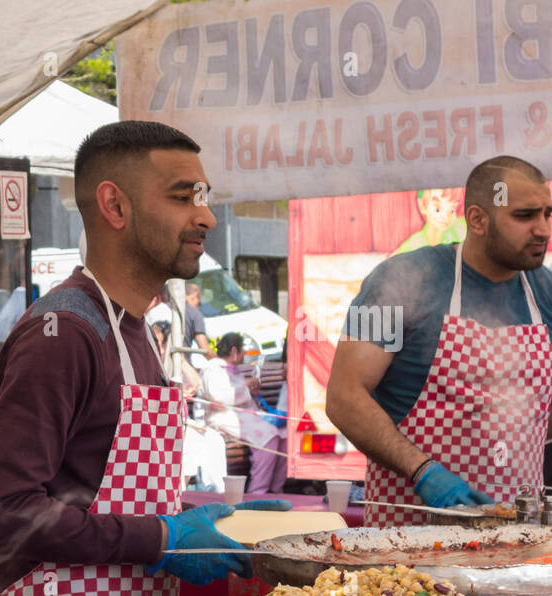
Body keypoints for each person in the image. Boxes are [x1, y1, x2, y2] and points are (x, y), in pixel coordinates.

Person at [0, 121, 286, 596]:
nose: (207, 216)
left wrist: (212, 521)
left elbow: (102, 491)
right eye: (182, 196)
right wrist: (160, 537)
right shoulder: (63, 333)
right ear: (114, 205)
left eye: (204, 194)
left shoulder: (135, 329)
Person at [328, 156, 552, 527]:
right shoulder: (397, 281)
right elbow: (343, 397)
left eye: (547, 214)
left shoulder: (545, 291)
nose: (543, 229)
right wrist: (423, 471)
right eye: (525, 216)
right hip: (409, 542)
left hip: (516, 544)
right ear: (478, 219)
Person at [200, 332, 287, 492]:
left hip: (243, 415)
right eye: (242, 352)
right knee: (269, 437)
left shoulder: (231, 369)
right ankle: (258, 491)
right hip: (223, 417)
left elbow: (241, 397)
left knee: (284, 433)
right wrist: (246, 385)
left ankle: (276, 488)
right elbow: (218, 397)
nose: (244, 356)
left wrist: (252, 391)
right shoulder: (212, 369)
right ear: (234, 351)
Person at [392, 188, 466, 256]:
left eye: (452, 210)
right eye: (437, 209)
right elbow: (391, 261)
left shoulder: (460, 226)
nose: (446, 217)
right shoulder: (416, 242)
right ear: (422, 205)